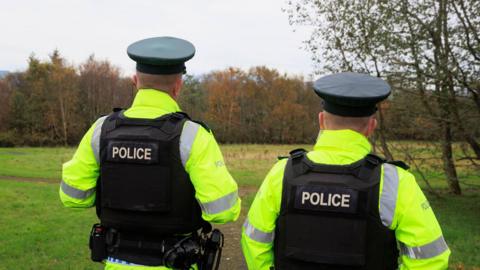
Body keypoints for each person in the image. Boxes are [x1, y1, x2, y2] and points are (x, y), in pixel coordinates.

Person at [60, 36, 241, 270]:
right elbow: (223, 211)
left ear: (135, 81)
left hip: (117, 261)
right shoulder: (192, 136)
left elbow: (73, 198)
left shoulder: (101, 130)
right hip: (176, 261)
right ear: (178, 85)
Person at [241, 72, 450, 270]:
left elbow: (254, 241)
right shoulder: (396, 182)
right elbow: (430, 258)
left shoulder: (282, 173)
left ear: (321, 120)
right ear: (371, 126)